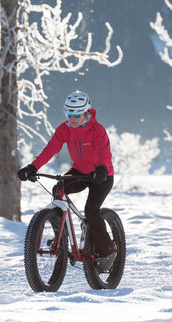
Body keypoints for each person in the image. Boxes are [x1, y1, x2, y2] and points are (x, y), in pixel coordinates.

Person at [17, 90, 117, 271]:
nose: (72, 118)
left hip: (101, 176)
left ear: (86, 112)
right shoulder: (64, 129)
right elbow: (50, 150)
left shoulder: (97, 130)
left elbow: (104, 152)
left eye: (76, 114)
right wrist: (33, 167)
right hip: (80, 172)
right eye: (68, 114)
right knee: (59, 188)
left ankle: (108, 252)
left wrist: (102, 169)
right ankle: (60, 237)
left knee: (91, 210)